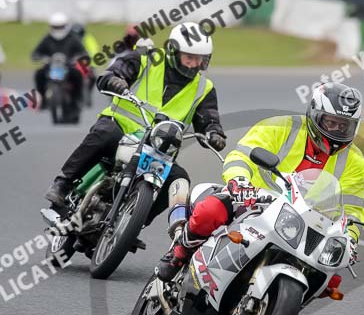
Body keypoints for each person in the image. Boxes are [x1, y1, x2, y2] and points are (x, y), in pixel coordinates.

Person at [157, 82, 364, 289]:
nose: (337, 130)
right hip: (253, 200)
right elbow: (241, 155)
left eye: (344, 126)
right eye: (330, 122)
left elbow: (352, 208)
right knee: (209, 211)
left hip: (303, 222)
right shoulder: (280, 126)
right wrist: (239, 181)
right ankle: (179, 252)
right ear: (314, 114)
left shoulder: (355, 160)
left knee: (329, 278)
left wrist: (351, 239)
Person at [44, 22, 227, 230]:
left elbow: (209, 119)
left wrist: (214, 133)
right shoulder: (146, 59)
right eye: (189, 57)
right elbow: (113, 73)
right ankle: (63, 184)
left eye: (200, 60)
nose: (195, 64)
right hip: (121, 129)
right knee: (105, 134)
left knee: (180, 178)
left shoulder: (204, 88)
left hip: (159, 150)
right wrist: (115, 80)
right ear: (173, 52)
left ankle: (135, 222)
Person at [32, 13, 86, 106]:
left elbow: (83, 52)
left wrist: (76, 58)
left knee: (77, 75)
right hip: (50, 66)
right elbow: (36, 53)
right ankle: (43, 98)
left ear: (66, 26)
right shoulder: (47, 38)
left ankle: (77, 98)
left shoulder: (73, 38)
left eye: (60, 27)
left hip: (69, 66)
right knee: (39, 74)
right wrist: (42, 58)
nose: (58, 30)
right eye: (55, 27)